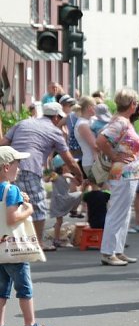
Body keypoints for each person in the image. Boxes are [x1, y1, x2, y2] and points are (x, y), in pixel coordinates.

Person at [0, 102, 84, 252]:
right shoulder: (54, 131)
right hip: (30, 168)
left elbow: (3, 143)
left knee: (12, 204)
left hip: (10, 169)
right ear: (57, 117)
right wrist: (79, 175)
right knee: (38, 206)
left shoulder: (23, 123)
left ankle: (11, 240)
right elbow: (69, 159)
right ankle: (37, 243)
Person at [0, 147, 52, 326]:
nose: (19, 168)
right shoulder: (11, 189)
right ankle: (30, 325)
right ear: (6, 167)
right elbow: (12, 218)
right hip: (14, 248)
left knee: (1, 289)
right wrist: (28, 209)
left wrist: (20, 198)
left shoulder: (10, 191)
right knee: (24, 288)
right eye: (17, 164)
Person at [95, 88, 139, 267]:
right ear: (132, 104)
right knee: (117, 213)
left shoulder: (123, 121)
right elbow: (100, 140)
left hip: (128, 173)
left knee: (123, 214)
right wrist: (114, 156)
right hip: (123, 173)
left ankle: (117, 250)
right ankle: (108, 252)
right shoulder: (121, 122)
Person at [47, 155, 82, 248]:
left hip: (64, 199)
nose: (71, 167)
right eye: (68, 165)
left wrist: (73, 177)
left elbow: (79, 183)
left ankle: (56, 239)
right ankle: (56, 239)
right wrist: (50, 172)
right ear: (62, 166)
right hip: (59, 200)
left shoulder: (69, 175)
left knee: (79, 194)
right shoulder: (56, 175)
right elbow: (46, 179)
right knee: (59, 222)